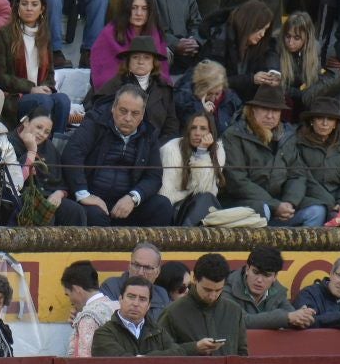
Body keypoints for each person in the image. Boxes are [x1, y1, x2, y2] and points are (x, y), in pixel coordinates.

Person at [58, 84, 175, 227]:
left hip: (127, 203)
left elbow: (154, 176)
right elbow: (72, 155)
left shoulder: (149, 134)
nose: (128, 118)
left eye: (135, 113)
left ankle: (146, 249)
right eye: (123, 111)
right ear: (113, 108)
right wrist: (84, 195)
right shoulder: (94, 122)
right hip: (93, 199)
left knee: (162, 206)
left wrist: (133, 197)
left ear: (142, 114)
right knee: (93, 217)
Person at [219, 83, 322, 226]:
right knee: (262, 210)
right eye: (265, 109)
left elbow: (297, 174)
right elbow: (236, 181)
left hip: (280, 202)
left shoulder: (288, 135)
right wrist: (274, 205)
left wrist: (289, 202)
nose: (270, 116)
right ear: (253, 109)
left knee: (316, 211)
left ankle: (296, 249)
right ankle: (262, 249)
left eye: (275, 111)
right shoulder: (234, 135)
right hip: (245, 203)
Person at [0, 0, 69, 129]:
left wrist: (46, 87)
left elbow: (50, 72)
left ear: (42, 9)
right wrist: (30, 88)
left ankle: (56, 144)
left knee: (63, 100)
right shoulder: (3, 34)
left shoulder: (45, 35)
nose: (29, 9)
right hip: (14, 97)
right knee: (44, 101)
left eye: (34, 4)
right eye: (24, 4)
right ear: (17, 7)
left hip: (39, 93)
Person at [91, 275, 211, 356]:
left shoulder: (157, 331)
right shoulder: (104, 333)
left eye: (142, 299)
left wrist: (141, 358)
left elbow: (177, 353)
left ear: (149, 305)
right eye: (131, 297)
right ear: (120, 299)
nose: (136, 303)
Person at [87, 34, 177, 137]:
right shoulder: (114, 86)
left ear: (154, 63)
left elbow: (171, 126)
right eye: (135, 57)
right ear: (128, 62)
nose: (141, 62)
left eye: (146, 58)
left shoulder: (164, 89)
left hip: (155, 147)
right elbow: (97, 118)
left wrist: (157, 148)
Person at [159, 252, 246, 355]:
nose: (212, 296)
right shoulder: (172, 312)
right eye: (207, 290)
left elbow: (242, 353)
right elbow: (159, 354)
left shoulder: (234, 311)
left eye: (218, 290)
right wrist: (194, 348)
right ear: (195, 279)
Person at [285, 105, 340, 227]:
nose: (324, 123)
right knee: (319, 211)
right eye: (320, 118)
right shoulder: (297, 142)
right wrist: (331, 205)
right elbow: (304, 179)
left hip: (338, 203)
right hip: (307, 200)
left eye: (330, 119)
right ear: (312, 121)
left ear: (335, 124)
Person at [91, 0, 170, 90]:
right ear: (127, 9)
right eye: (134, 7)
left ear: (150, 12)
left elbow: (161, 72)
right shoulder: (110, 33)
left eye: (144, 8)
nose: (139, 13)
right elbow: (102, 74)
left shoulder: (155, 34)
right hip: (115, 93)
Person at [208, 0, 282, 105]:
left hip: (245, 102)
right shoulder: (219, 40)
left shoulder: (259, 42)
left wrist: (273, 71)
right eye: (260, 29)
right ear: (248, 24)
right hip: (220, 101)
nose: (262, 34)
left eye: (265, 30)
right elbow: (213, 81)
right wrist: (251, 79)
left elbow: (270, 52)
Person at [159, 109, 224, 225]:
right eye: (193, 128)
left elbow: (208, 190)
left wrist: (202, 152)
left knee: (205, 199)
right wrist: (190, 195)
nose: (197, 133)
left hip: (201, 207)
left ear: (211, 132)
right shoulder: (172, 150)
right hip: (175, 210)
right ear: (188, 130)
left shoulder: (218, 151)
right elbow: (165, 195)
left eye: (203, 128)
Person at [225, 245, 305, 329]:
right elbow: (242, 321)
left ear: (275, 277)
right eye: (255, 272)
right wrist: (286, 318)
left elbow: (292, 315)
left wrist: (303, 317)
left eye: (266, 275)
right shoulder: (228, 288)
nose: (259, 280)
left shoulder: (278, 292)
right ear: (247, 269)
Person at [98, 242, 169, 320]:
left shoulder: (162, 295)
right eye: (137, 265)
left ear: (157, 272)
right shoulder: (111, 287)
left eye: (147, 268)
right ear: (129, 266)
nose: (140, 273)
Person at [64, 260, 113, 357]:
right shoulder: (116, 306)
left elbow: (84, 361)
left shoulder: (88, 317)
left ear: (77, 289)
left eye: (68, 294)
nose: (70, 300)